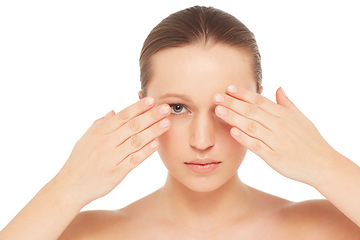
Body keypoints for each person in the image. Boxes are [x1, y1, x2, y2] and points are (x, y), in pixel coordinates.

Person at [1, 5, 360, 239]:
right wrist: (67, 187)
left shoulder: (323, 229)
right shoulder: (90, 234)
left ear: (259, 103)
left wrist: (324, 165)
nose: (202, 141)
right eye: (177, 108)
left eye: (225, 107)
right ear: (142, 105)